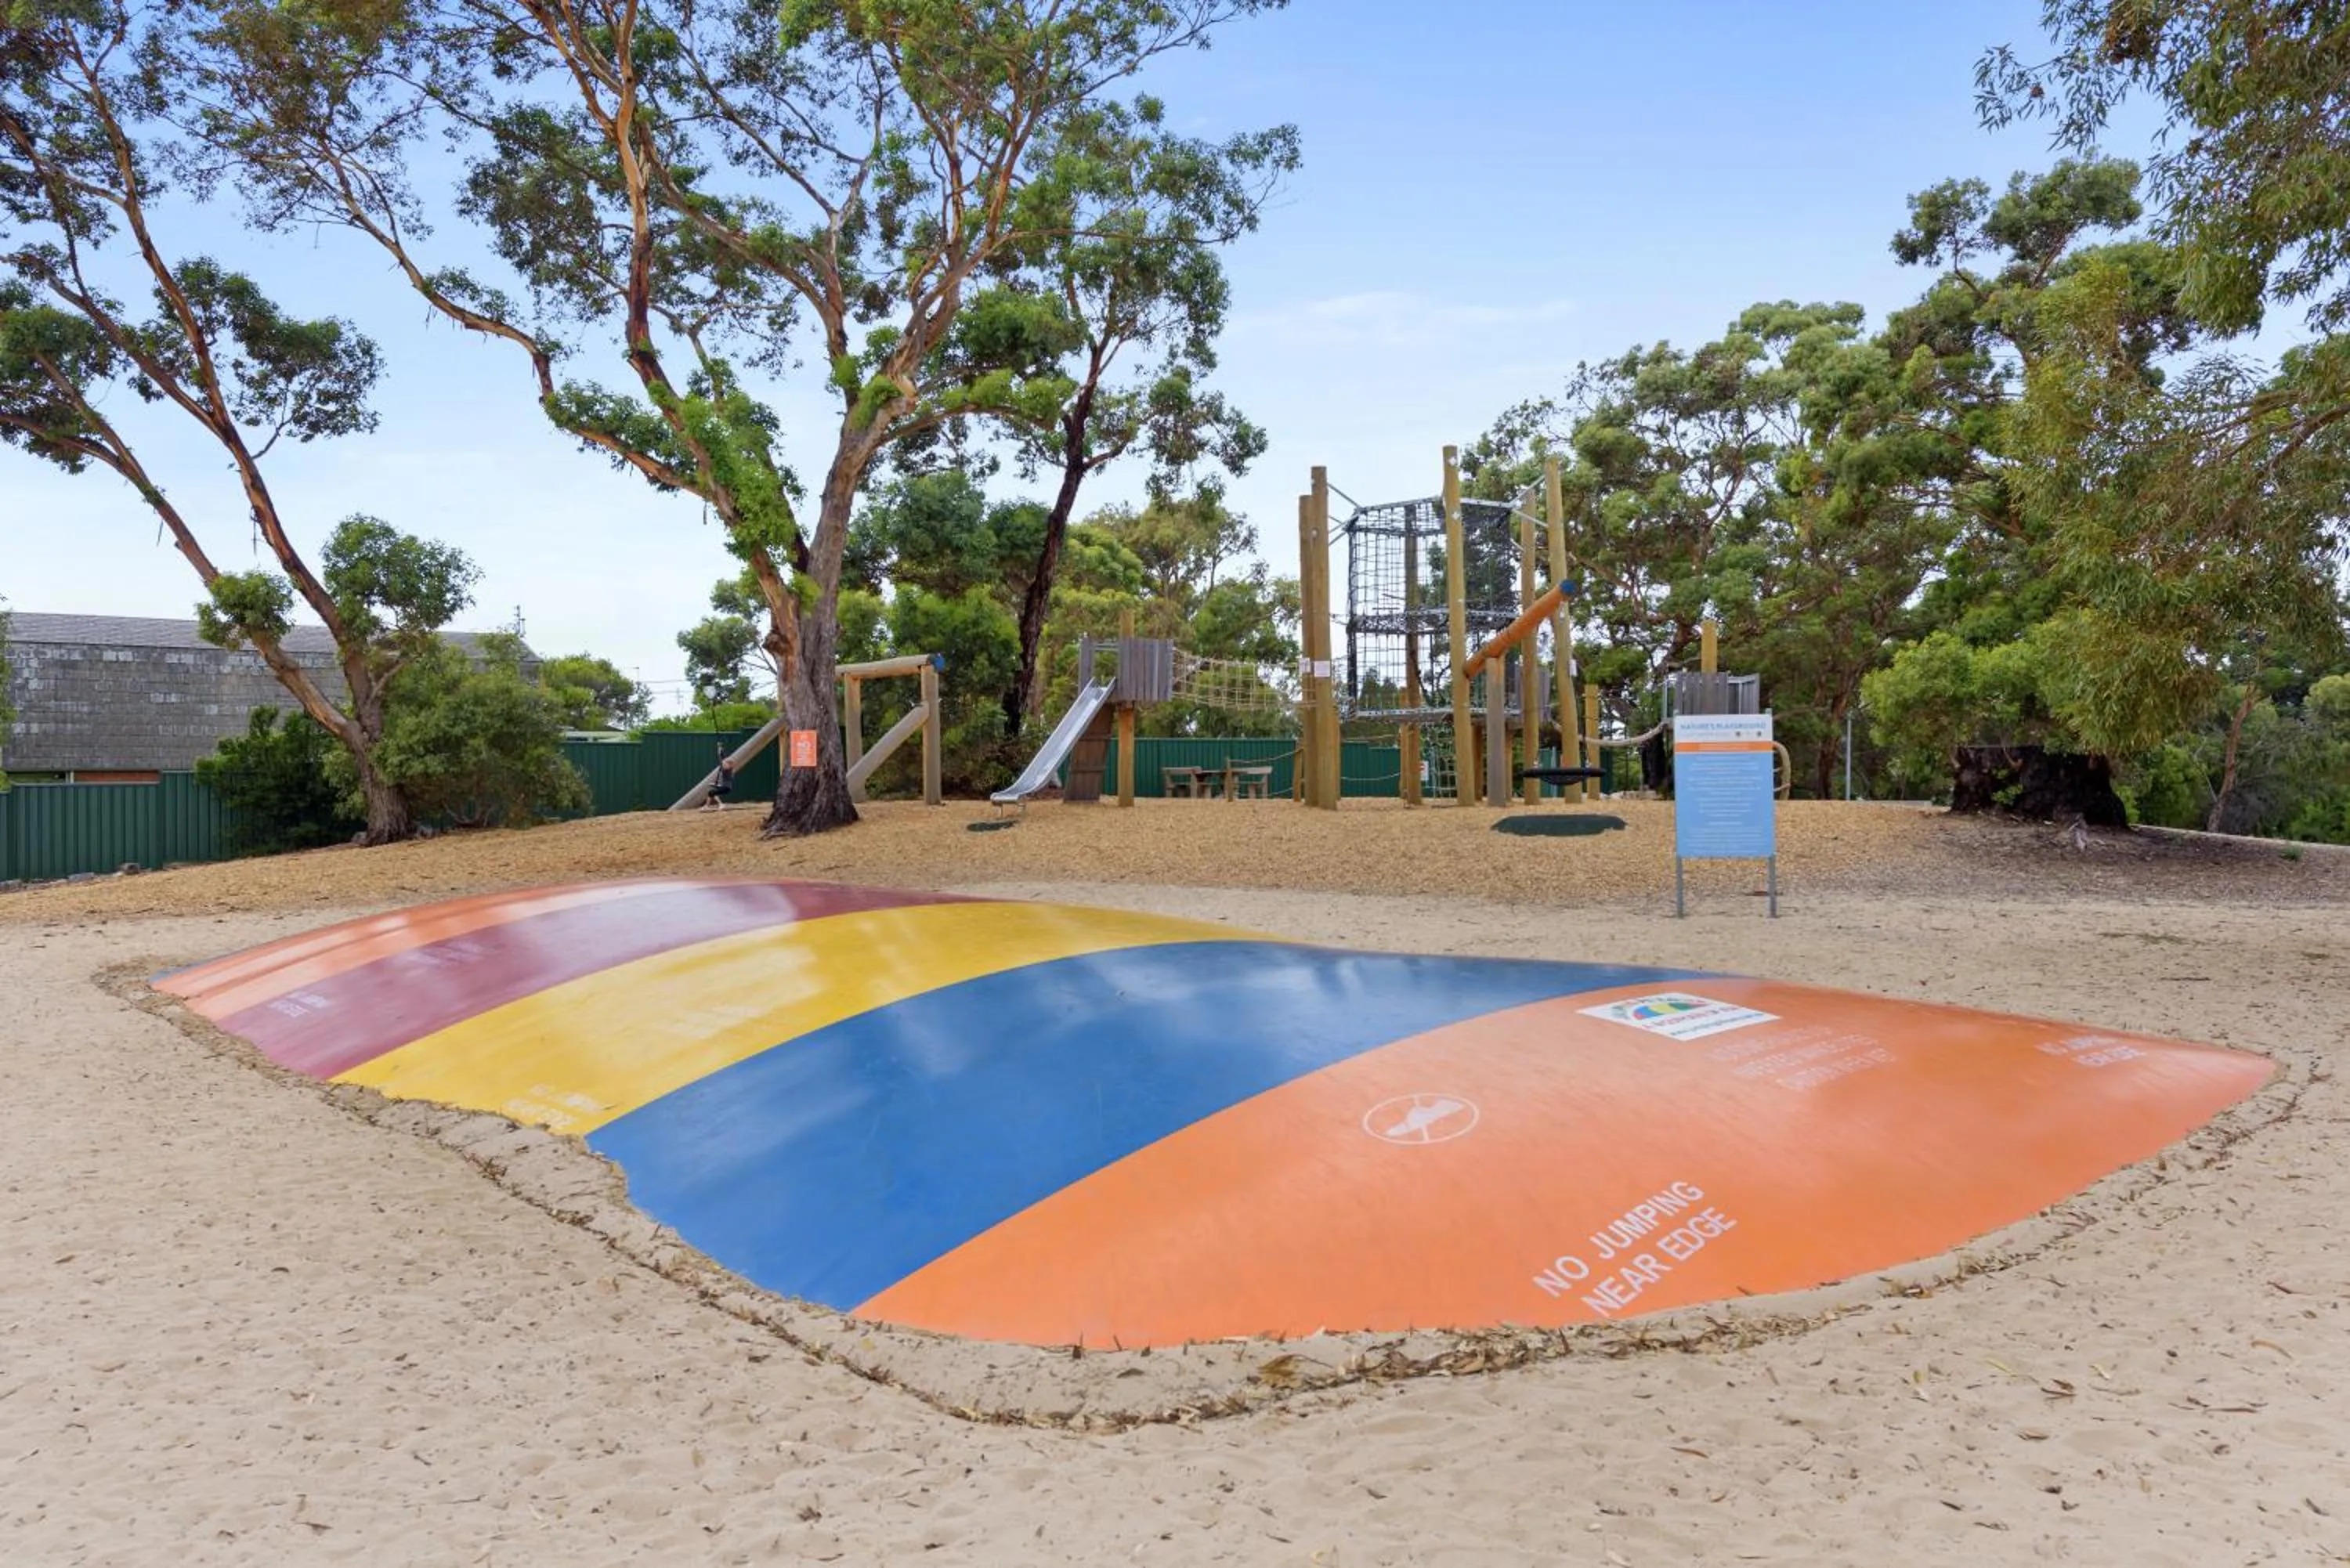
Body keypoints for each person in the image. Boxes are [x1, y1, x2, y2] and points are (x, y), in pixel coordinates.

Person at [703, 746, 735, 811]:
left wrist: (720, 754)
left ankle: (711, 806)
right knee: (712, 791)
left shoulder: (727, 770)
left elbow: (723, 762)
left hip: (726, 788)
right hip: (725, 787)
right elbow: (724, 761)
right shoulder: (728, 769)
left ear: (729, 765)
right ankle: (716, 805)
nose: (723, 764)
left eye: (725, 764)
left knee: (711, 792)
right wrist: (720, 752)